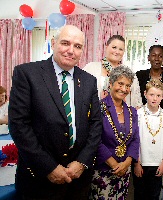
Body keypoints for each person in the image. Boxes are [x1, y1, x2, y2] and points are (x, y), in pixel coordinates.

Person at [8, 25, 102, 199]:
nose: (71, 51)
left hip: (78, 179)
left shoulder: (89, 81)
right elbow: (19, 125)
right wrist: (48, 167)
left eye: (77, 46)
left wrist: (82, 162)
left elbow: (96, 124)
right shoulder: (27, 74)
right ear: (53, 43)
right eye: (65, 43)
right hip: (38, 179)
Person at [89, 66, 140, 199]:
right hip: (103, 171)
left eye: (128, 85)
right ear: (110, 84)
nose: (124, 89)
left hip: (124, 172)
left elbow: (135, 139)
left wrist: (127, 163)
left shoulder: (132, 112)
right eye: (120, 84)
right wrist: (114, 164)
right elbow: (95, 140)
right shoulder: (98, 108)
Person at [133, 79, 163, 200]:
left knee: (154, 195)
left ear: (162, 97)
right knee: (140, 194)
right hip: (141, 162)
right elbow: (134, 140)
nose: (155, 98)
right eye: (151, 94)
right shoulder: (138, 114)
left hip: (157, 164)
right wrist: (136, 163)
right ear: (145, 94)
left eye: (158, 95)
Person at [83, 35, 142, 108]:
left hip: (121, 116)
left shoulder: (129, 73)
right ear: (106, 47)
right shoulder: (91, 68)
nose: (117, 52)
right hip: (95, 116)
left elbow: (136, 103)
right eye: (114, 47)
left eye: (121, 49)